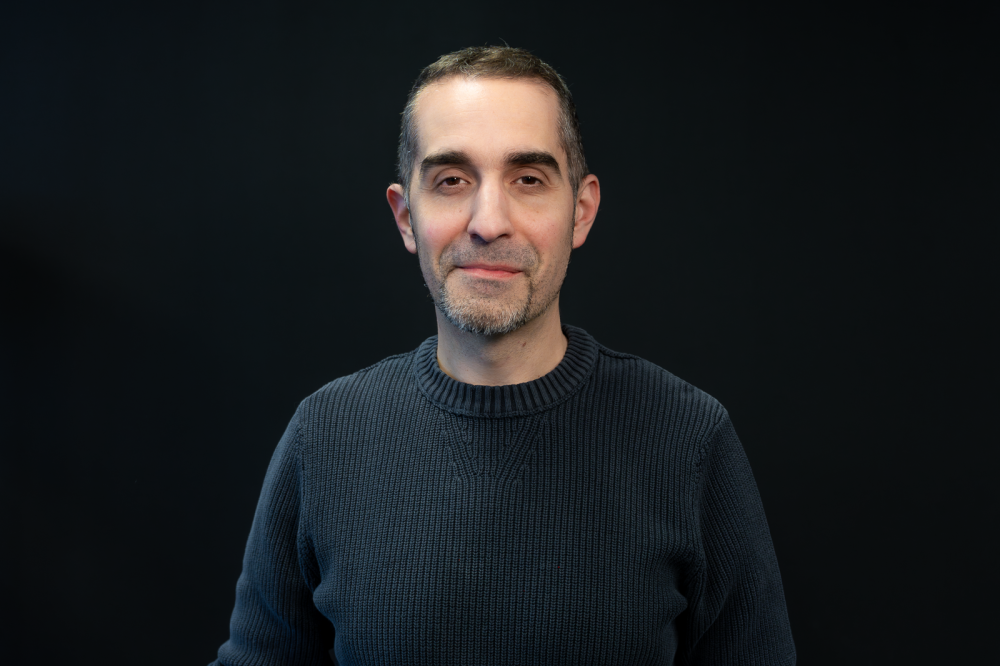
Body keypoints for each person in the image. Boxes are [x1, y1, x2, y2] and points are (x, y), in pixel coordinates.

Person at [211, 46, 795, 666]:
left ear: (581, 211)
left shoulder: (688, 438)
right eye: (451, 180)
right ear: (406, 217)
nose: (488, 222)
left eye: (529, 180)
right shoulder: (326, 436)